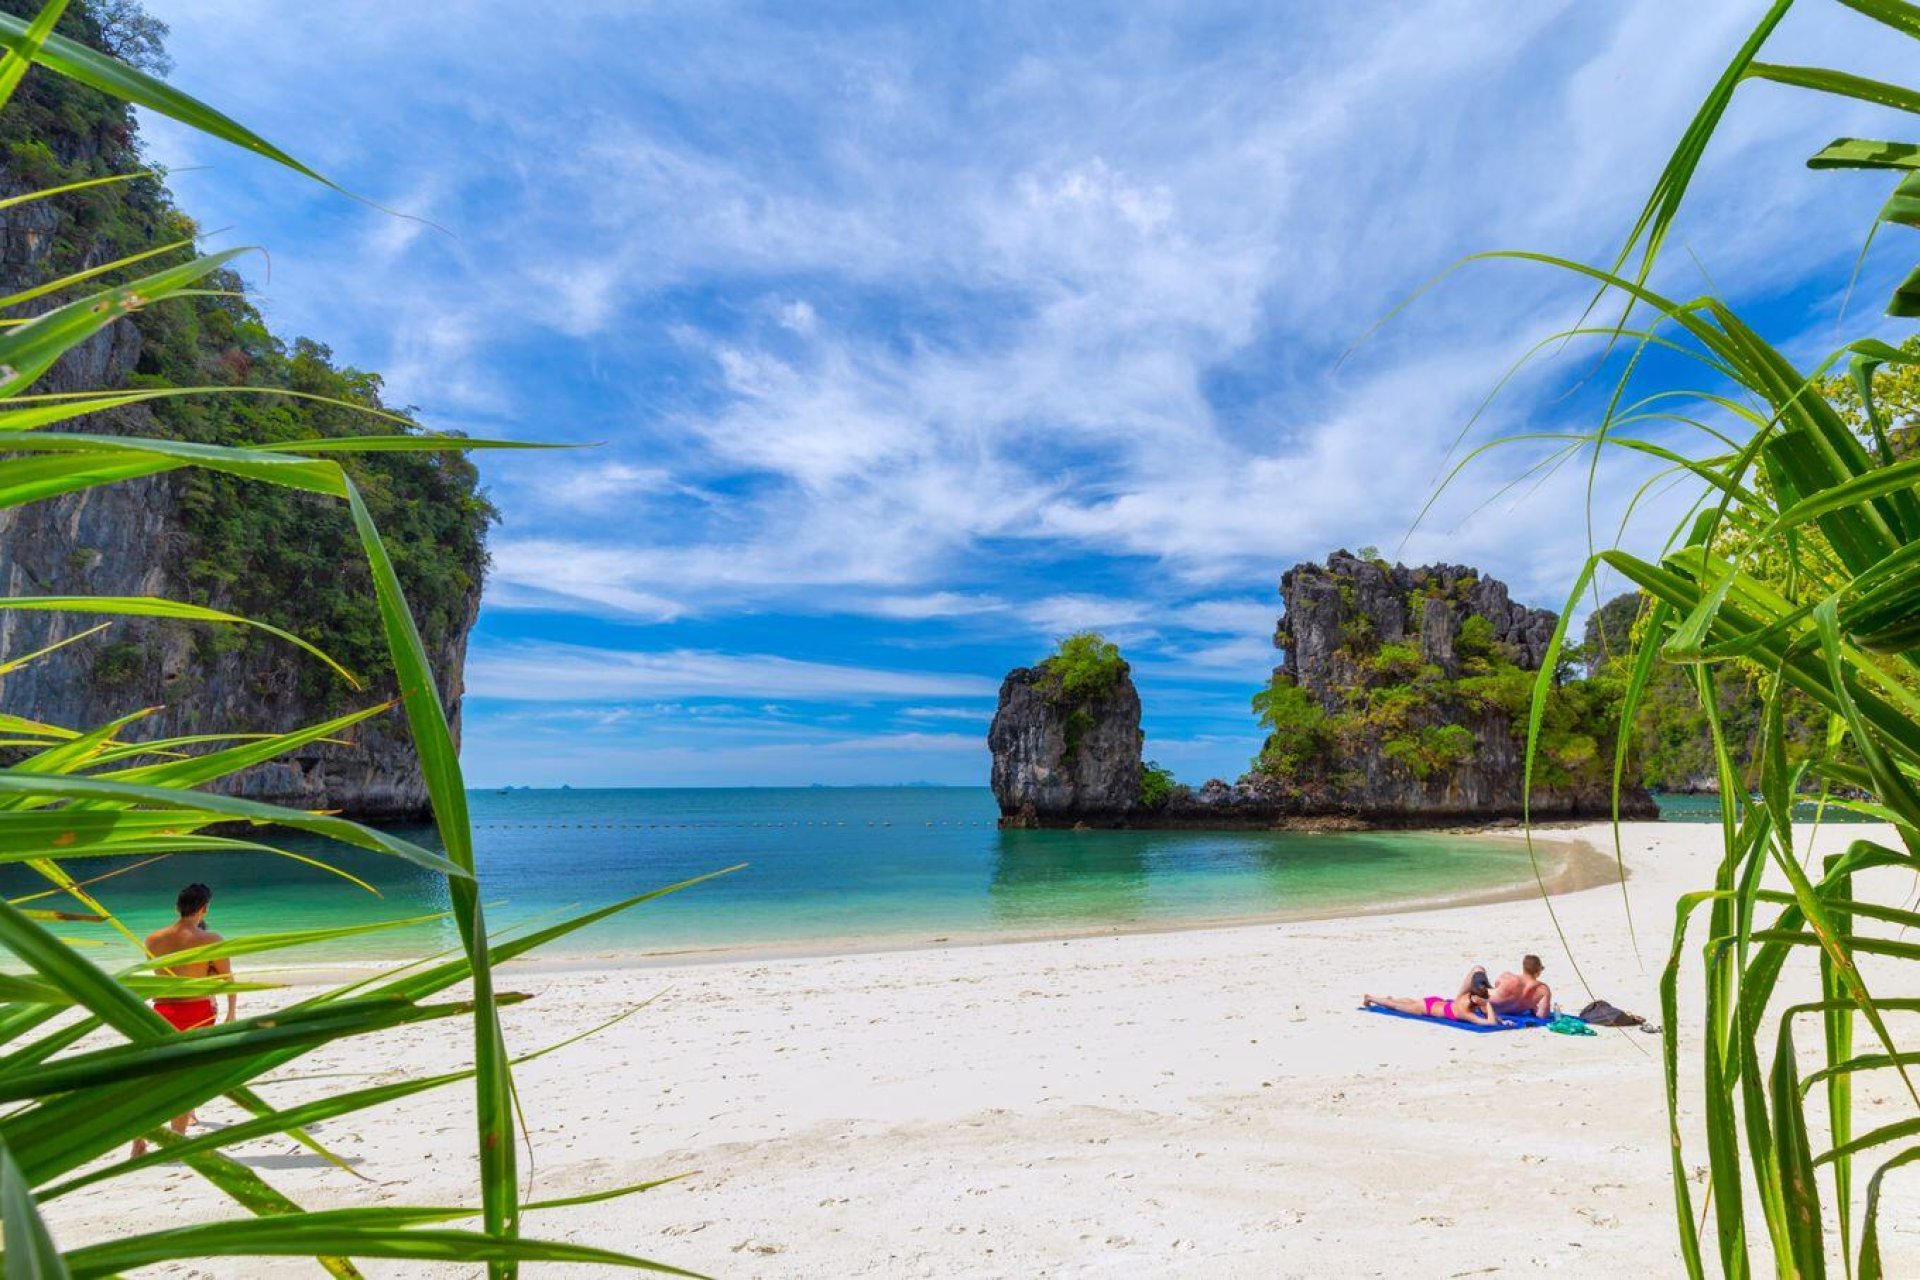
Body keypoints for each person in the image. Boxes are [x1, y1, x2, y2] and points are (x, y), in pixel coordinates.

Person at [130, 883, 235, 1158]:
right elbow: (226, 980)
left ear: (177, 907)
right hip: (197, 1013)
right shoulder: (210, 939)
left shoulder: (153, 939)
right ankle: (176, 1141)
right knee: (185, 1080)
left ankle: (139, 1139)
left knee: (156, 1079)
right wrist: (231, 1012)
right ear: (204, 909)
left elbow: (161, 974)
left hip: (161, 1012)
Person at [1463, 955, 1552, 1019]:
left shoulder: (1508, 977)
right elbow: (1542, 1016)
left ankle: (1458, 999)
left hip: (1488, 1006)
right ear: (1538, 971)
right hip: (1515, 1011)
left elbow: (1496, 984)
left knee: (1478, 969)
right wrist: (1531, 1005)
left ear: (1524, 967)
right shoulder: (1543, 990)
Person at [1362, 989, 1505, 1027]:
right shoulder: (1465, 1012)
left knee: (1409, 1002)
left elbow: (1491, 1016)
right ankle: (1370, 998)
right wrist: (1488, 1005)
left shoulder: (1468, 996)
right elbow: (1490, 1023)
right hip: (1427, 1008)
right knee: (1396, 1007)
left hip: (1433, 1002)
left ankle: (1389, 999)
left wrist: (1500, 1020)